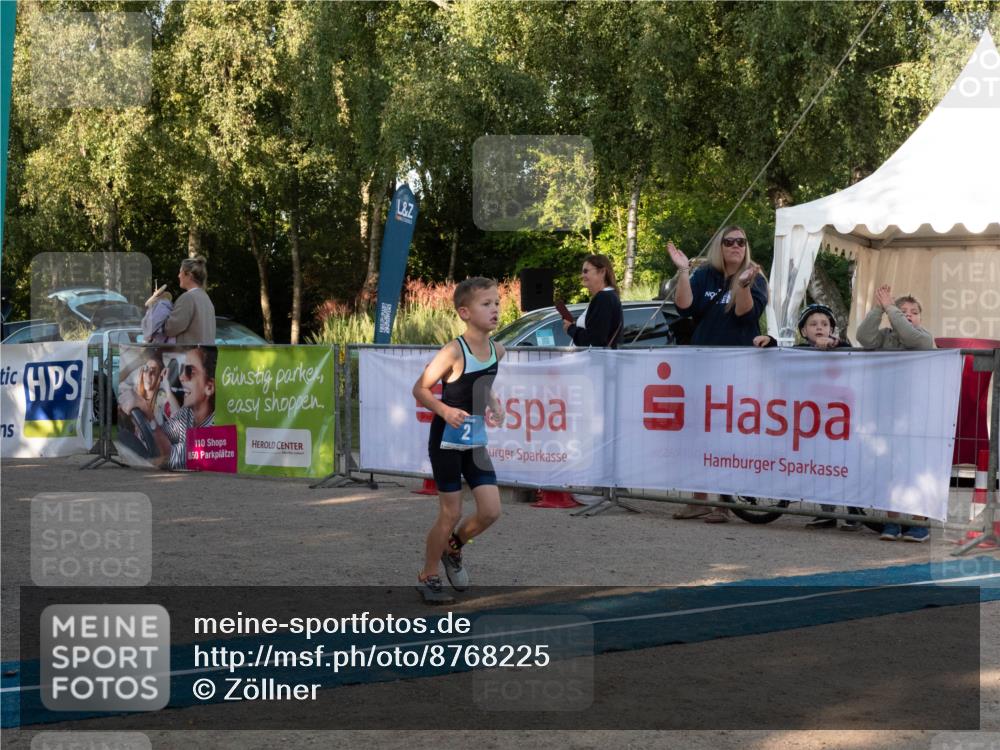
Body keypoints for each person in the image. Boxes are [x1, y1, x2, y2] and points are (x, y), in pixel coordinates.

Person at [412, 277, 507, 604]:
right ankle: (428, 574)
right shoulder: (453, 351)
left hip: (475, 439)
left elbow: (483, 384)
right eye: (486, 304)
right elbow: (420, 389)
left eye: (496, 303)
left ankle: (453, 548)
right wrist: (444, 410)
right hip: (447, 440)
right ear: (465, 312)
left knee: (491, 511)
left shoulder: (498, 350)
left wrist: (493, 402)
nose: (495, 309)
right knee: (450, 513)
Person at [668, 226, 769, 523]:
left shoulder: (756, 276)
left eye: (741, 241)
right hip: (702, 365)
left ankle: (723, 504)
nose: (736, 246)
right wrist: (684, 272)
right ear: (720, 246)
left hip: (738, 368)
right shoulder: (706, 275)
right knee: (698, 433)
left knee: (728, 436)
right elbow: (684, 306)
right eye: (729, 242)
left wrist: (744, 286)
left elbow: (744, 314)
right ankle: (698, 498)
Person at [756, 304, 864, 530]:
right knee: (821, 464)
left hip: (840, 422)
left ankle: (855, 511)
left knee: (845, 465)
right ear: (803, 331)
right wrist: (771, 342)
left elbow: (847, 350)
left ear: (832, 329)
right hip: (812, 422)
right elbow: (781, 357)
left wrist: (835, 344)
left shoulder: (842, 349)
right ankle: (827, 513)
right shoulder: (800, 352)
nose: (819, 328)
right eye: (813, 324)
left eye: (825, 324)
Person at [858, 286, 934, 542]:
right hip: (888, 413)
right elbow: (864, 337)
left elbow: (913, 340)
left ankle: (919, 523)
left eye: (914, 312)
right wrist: (879, 309)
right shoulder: (885, 336)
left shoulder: (924, 337)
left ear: (920, 318)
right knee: (891, 467)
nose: (908, 315)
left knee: (917, 468)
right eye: (903, 311)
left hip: (918, 414)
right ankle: (893, 522)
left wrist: (892, 308)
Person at [562, 254, 624, 348]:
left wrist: (571, 329)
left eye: (586, 271)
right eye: (582, 272)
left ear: (602, 272)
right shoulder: (608, 296)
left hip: (595, 361)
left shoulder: (604, 298)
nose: (582, 275)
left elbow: (594, 340)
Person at [164, 256, 216, 344]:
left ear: (189, 275)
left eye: (180, 272)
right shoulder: (206, 298)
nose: (178, 275)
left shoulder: (188, 298)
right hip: (204, 355)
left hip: (189, 354)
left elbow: (170, 329)